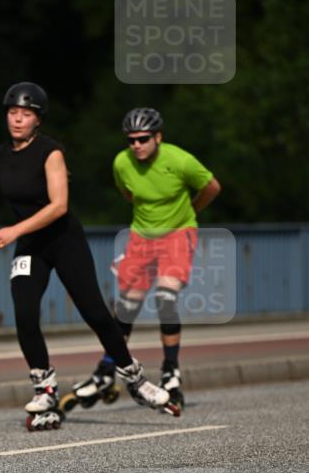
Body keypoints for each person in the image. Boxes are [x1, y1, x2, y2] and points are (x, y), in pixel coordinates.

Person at [0, 82, 175, 430]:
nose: (18, 120)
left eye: (26, 114)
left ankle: (134, 378)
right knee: (25, 313)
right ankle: (45, 388)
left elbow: (59, 206)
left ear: (38, 120)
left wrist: (15, 230)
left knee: (95, 312)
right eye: (13, 113)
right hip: (31, 247)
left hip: (63, 241)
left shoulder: (51, 153)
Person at [85, 107, 221, 410]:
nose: (137, 145)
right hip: (141, 235)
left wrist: (189, 213)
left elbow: (212, 187)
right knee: (128, 305)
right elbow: (128, 193)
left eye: (143, 139)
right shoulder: (122, 162)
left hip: (177, 233)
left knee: (165, 296)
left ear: (158, 137)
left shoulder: (180, 160)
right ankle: (109, 365)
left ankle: (171, 370)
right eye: (131, 140)